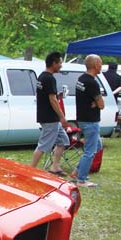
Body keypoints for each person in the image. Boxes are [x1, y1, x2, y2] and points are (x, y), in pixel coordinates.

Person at [29, 51, 70, 174]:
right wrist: (62, 117)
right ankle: (31, 170)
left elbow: (46, 96)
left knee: (63, 140)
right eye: (60, 63)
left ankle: (55, 167)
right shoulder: (49, 78)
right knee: (43, 144)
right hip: (50, 118)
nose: (61, 65)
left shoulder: (41, 77)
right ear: (54, 63)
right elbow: (52, 99)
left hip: (47, 116)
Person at [73, 54, 105, 188]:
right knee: (90, 151)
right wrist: (96, 103)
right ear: (96, 65)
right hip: (90, 120)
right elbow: (102, 104)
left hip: (82, 118)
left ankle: (76, 171)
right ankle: (82, 180)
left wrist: (95, 103)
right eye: (101, 63)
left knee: (97, 146)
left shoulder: (81, 79)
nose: (102, 66)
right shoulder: (92, 82)